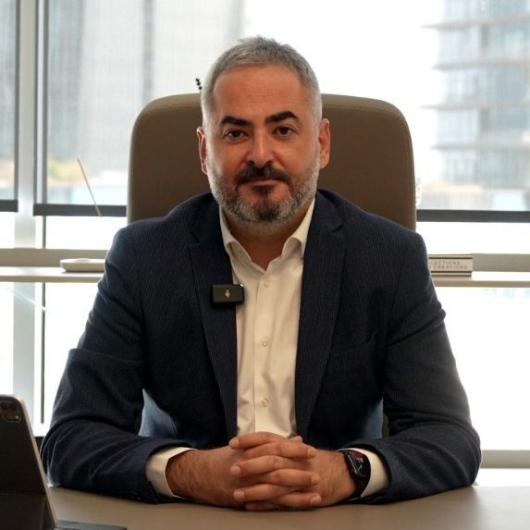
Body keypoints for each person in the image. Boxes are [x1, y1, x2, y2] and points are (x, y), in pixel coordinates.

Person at [41, 36, 480, 510]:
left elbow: (449, 439)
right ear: (204, 150)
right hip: (189, 516)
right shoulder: (144, 259)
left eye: (283, 130)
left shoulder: (390, 260)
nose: (260, 155)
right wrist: (191, 472)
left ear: (322, 143)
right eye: (236, 134)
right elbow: (70, 439)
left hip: (336, 519)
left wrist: (343, 472)